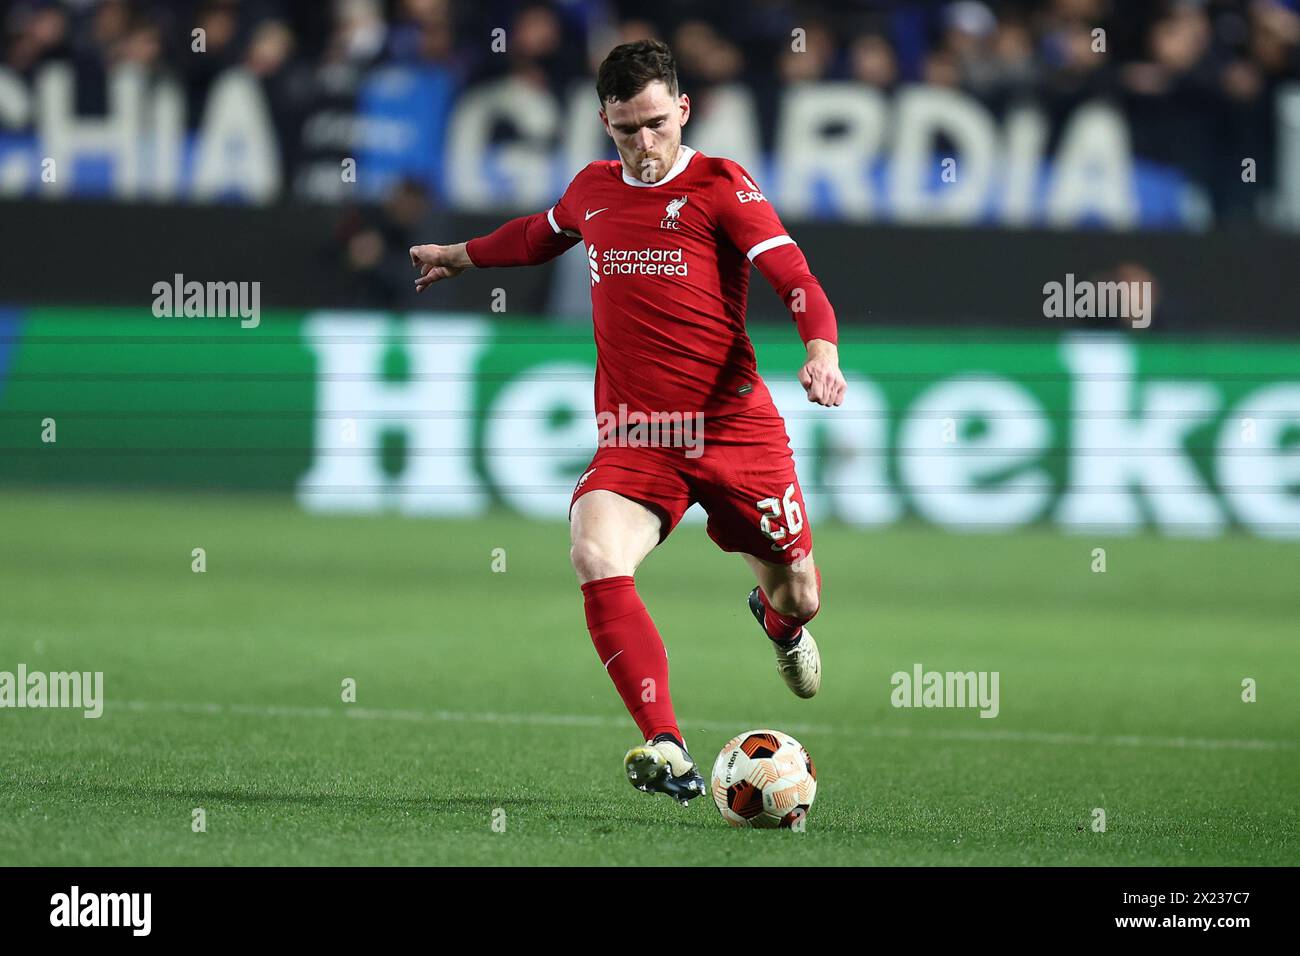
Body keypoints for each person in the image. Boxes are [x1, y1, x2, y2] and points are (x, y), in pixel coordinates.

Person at [410, 39, 845, 805]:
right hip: (640, 439)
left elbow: (794, 276)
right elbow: (538, 235)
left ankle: (777, 625)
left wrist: (821, 352)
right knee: (593, 549)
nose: (644, 146)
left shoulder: (722, 186)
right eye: (624, 130)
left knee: (799, 596)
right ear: (604, 124)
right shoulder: (593, 190)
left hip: (737, 432)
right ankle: (667, 743)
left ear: (682, 110)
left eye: (655, 124)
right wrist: (462, 255)